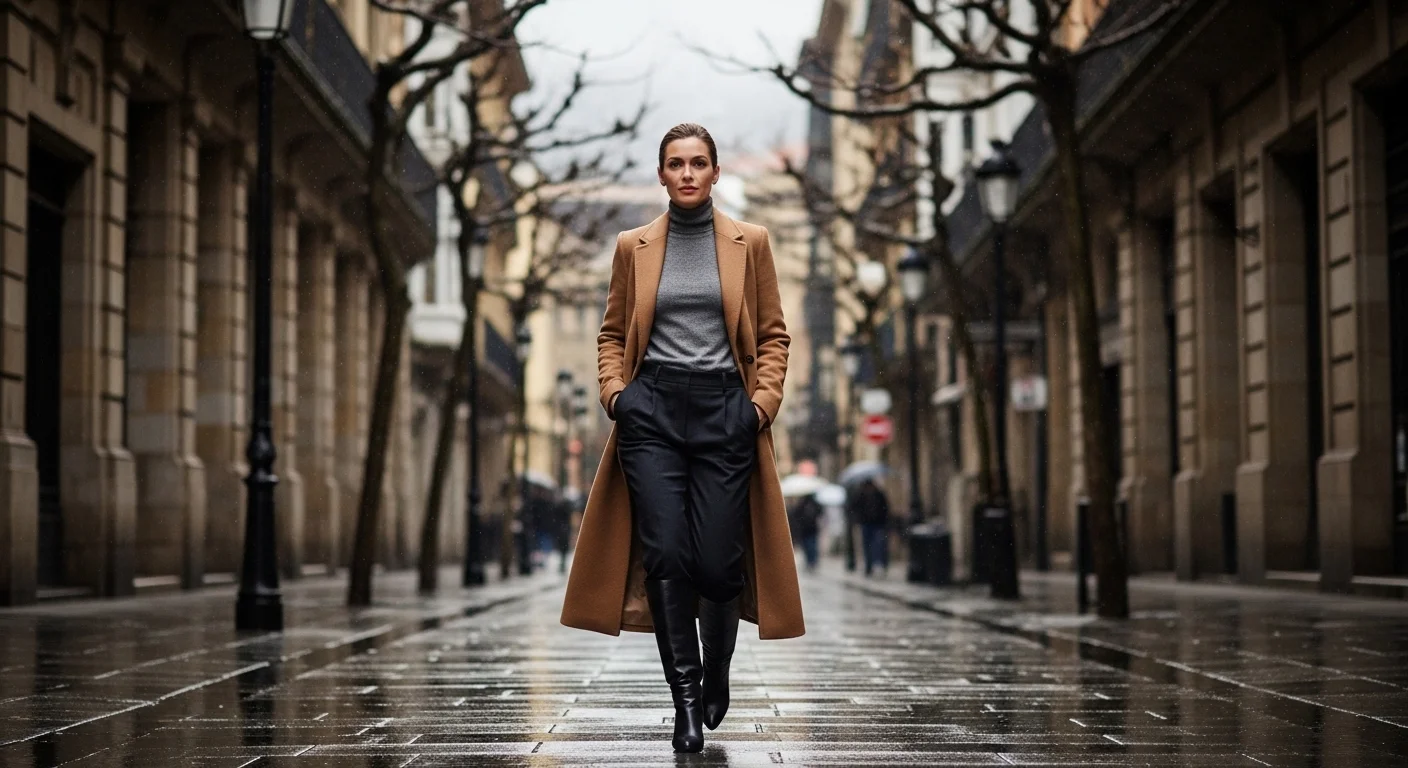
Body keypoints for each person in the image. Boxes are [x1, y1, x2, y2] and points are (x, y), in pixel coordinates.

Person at [559, 123, 803, 754]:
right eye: (676, 164)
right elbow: (613, 333)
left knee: (719, 562)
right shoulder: (631, 246)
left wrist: (760, 406)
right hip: (654, 414)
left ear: (716, 173)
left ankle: (717, 667)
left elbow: (774, 335)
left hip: (727, 411)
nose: (688, 173)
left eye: (699, 163)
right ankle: (686, 701)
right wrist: (618, 395)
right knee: (666, 552)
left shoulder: (752, 243)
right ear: (662, 174)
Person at [852, 478, 891, 577]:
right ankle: (869, 566)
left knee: (878, 545)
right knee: (868, 546)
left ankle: (879, 564)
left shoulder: (878, 494)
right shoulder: (860, 495)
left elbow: (885, 508)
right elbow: (855, 508)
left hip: (877, 524)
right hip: (867, 524)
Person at [792, 493, 822, 573]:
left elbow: (796, 515)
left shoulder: (803, 504)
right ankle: (812, 561)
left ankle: (811, 561)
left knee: (809, 547)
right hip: (809, 529)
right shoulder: (812, 503)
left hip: (807, 530)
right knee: (811, 546)